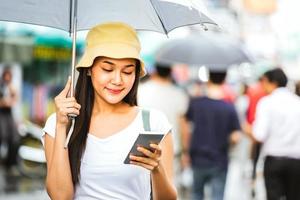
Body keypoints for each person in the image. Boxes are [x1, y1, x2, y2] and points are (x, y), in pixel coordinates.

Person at [42, 22, 177, 200]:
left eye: (128, 72)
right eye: (107, 69)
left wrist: (157, 168)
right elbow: (60, 196)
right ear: (89, 69)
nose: (117, 80)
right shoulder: (60, 123)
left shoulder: (152, 122)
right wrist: (61, 126)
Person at [182, 71, 241, 200]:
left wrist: (185, 151)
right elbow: (236, 136)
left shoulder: (195, 103)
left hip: (198, 158)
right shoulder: (229, 107)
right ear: (224, 79)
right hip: (219, 159)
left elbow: (186, 127)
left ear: (208, 79)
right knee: (217, 196)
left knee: (196, 194)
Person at [137, 63, 189, 192]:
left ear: (155, 70)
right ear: (170, 71)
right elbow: (183, 127)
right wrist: (185, 152)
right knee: (168, 188)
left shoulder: (140, 90)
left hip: (143, 149)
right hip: (172, 150)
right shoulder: (179, 94)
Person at [252, 68, 300, 200]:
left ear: (272, 82)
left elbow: (259, 135)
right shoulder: (298, 103)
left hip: (274, 160)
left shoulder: (266, 103)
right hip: (296, 161)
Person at [0, 66, 20, 173]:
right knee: (3, 136)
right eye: (6, 76)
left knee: (14, 138)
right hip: (1, 114)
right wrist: (4, 102)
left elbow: (15, 98)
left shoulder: (9, 86)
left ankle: (11, 163)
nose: (8, 78)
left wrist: (10, 86)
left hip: (8, 114)